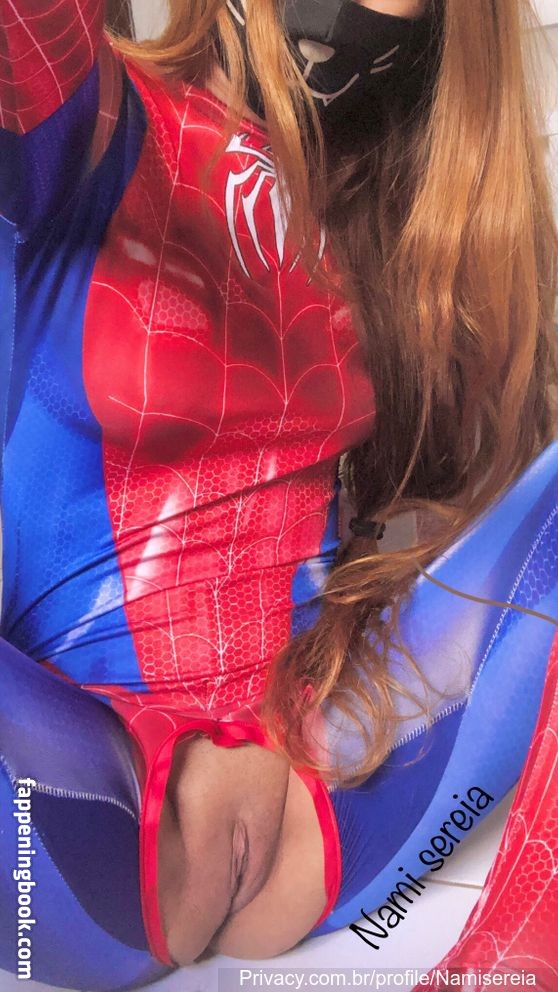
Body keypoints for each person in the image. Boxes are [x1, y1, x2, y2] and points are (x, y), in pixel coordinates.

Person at [0, 0, 557, 987]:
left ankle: (509, 965)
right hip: (82, 827)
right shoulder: (89, 123)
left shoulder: (375, 243)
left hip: (333, 793)